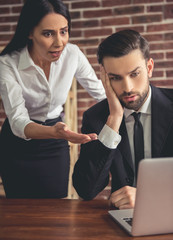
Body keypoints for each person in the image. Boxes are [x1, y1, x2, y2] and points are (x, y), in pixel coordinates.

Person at [0, 0, 106, 198]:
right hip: (17, 146)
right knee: (19, 214)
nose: (59, 42)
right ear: (30, 32)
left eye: (64, 31)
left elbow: (101, 93)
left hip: (55, 143)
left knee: (56, 213)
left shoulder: (72, 54)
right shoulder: (7, 64)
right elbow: (18, 121)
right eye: (48, 33)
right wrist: (54, 132)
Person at [73, 29, 173, 209]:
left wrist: (149, 198)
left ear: (149, 68)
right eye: (115, 78)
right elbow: (86, 189)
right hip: (121, 220)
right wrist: (114, 119)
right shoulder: (96, 118)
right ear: (105, 79)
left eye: (134, 74)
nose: (127, 88)